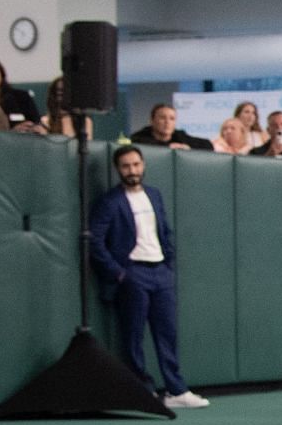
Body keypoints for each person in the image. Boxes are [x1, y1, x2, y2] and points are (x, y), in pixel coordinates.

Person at [88, 144, 210, 410]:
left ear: (143, 165)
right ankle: (142, 392)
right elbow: (95, 241)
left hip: (160, 273)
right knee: (133, 337)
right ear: (118, 170)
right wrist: (119, 274)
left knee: (167, 333)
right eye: (126, 166)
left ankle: (176, 390)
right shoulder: (110, 202)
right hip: (133, 273)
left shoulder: (154, 195)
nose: (132, 171)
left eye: (136, 165)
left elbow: (164, 230)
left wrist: (168, 261)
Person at [0, 52, 43, 132]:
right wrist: (12, 132)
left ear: (0, 71)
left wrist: (35, 128)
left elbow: (36, 123)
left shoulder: (22, 97)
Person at [129, 102, 214, 150]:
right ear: (152, 121)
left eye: (172, 119)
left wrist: (188, 147)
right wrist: (168, 148)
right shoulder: (139, 138)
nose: (167, 122)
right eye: (162, 118)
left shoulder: (179, 135)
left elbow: (207, 145)